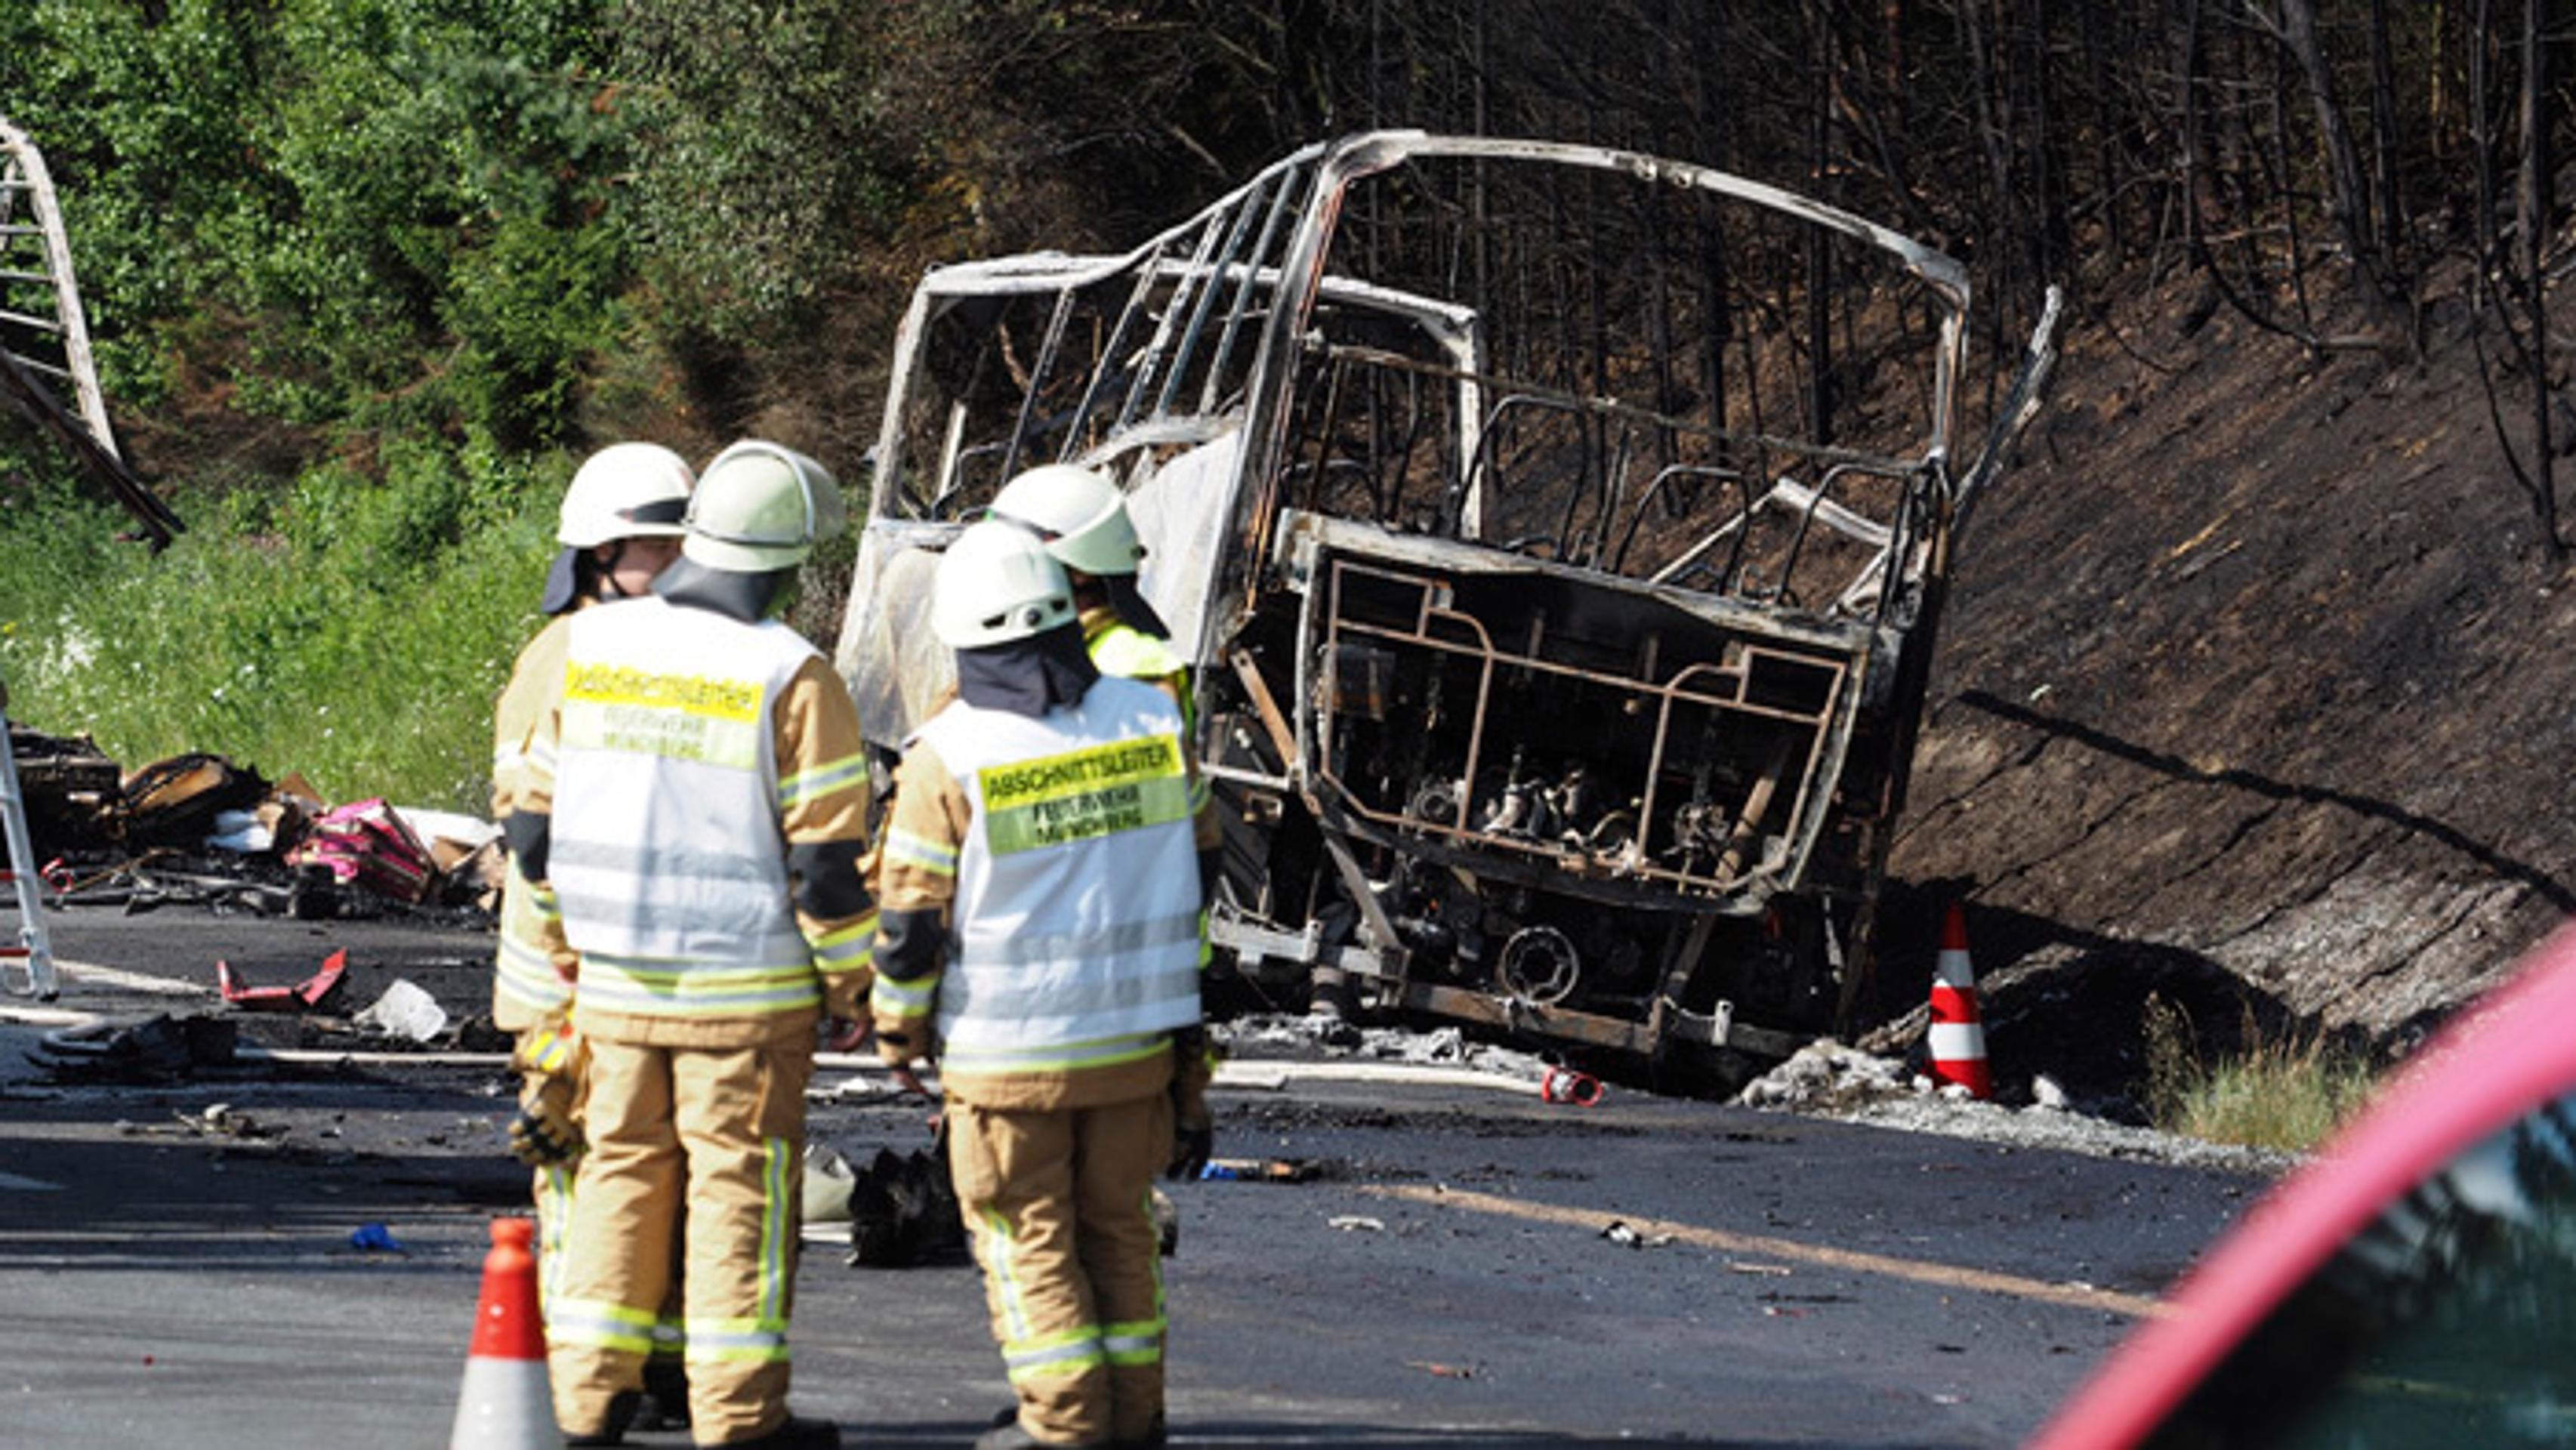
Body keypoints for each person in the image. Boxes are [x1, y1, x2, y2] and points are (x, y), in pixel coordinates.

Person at [511, 440, 873, 1450]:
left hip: (613, 994)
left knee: (618, 1180)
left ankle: (586, 1407)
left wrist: (569, 949)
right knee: (736, 1200)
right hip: (746, 1003)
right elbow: (827, 870)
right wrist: (854, 987)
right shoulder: (792, 673)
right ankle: (739, 1419)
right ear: (787, 563)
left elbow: (531, 835)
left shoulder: (591, 649)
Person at [869, 520, 1220, 1450]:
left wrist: (899, 1033)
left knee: (1025, 1236)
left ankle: (1063, 1424)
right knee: (1118, 1233)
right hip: (1136, 1046)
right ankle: (1133, 1420)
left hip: (1007, 1058)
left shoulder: (948, 754)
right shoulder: (1152, 721)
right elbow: (1203, 860)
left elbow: (910, 923)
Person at [489, 443, 697, 1430]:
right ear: (606, 553)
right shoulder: (565, 656)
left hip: (640, 967)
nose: (688, 564)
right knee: (583, 1171)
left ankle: (659, 1362)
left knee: (663, 1169)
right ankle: (589, 1375)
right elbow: (535, 837)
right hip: (566, 979)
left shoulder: (666, 645)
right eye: (667, 547)